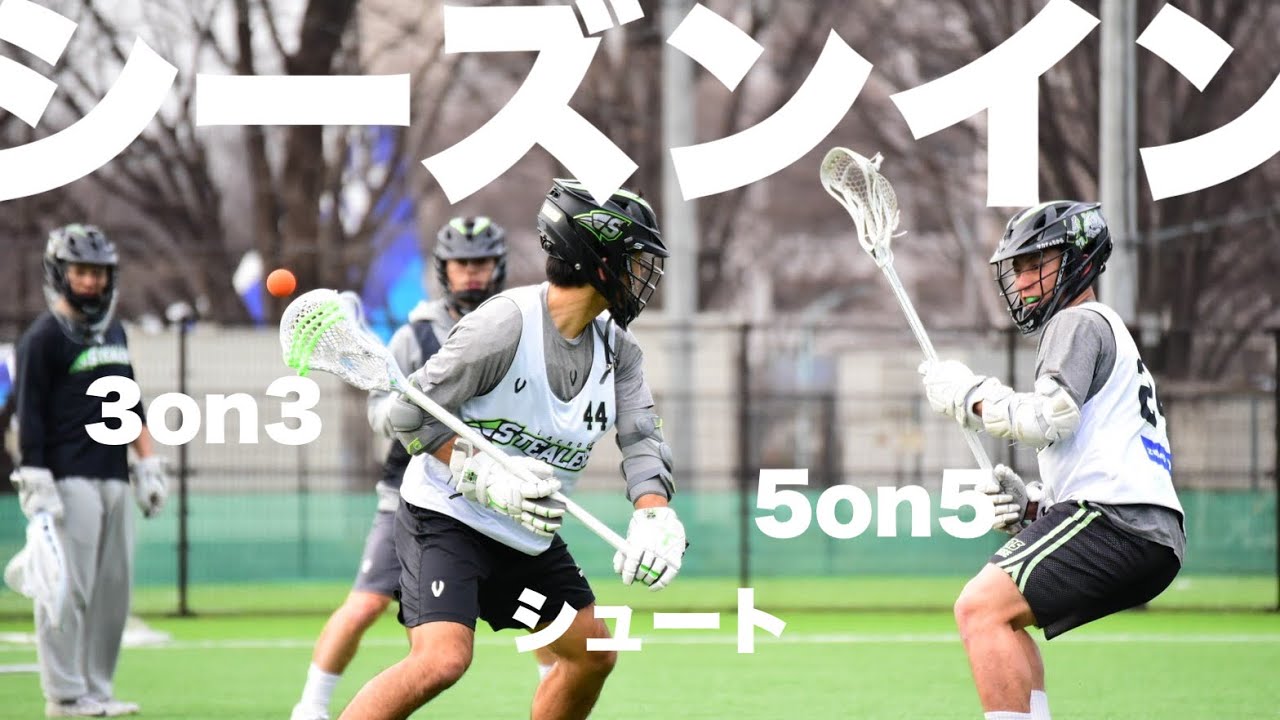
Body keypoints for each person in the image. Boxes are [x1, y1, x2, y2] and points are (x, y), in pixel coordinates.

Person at [337, 179, 687, 720]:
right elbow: (409, 416)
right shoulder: (503, 325)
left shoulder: (619, 349)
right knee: (442, 660)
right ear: (596, 260)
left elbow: (641, 437)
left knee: (592, 654)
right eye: (634, 260)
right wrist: (482, 473)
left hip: (526, 537)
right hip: (448, 519)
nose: (642, 275)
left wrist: (654, 514)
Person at [919, 202, 1185, 720]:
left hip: (1119, 522)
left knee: (979, 609)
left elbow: (1051, 418)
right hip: (1144, 529)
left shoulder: (1076, 322)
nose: (1021, 282)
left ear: (1079, 259)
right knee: (1002, 617)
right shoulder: (1108, 331)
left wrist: (971, 397)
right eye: (1016, 268)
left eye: (1034, 264)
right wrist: (1036, 506)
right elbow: (1100, 448)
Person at [291, 216, 562, 720]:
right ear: (444, 269)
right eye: (462, 263)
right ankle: (310, 707)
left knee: (539, 607)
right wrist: (413, 413)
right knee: (367, 604)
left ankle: (558, 691)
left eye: (481, 262)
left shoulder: (518, 327)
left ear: (498, 266)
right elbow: (381, 414)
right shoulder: (415, 336)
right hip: (411, 495)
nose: (471, 272)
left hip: (494, 496)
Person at [10, 224, 169, 718]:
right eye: (80, 271)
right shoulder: (42, 338)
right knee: (66, 588)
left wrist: (148, 462)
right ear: (61, 273)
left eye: (98, 272)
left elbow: (130, 403)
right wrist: (35, 478)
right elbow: (28, 415)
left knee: (112, 593)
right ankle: (64, 695)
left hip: (113, 475)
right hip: (67, 478)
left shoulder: (115, 332)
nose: (90, 281)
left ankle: (97, 690)